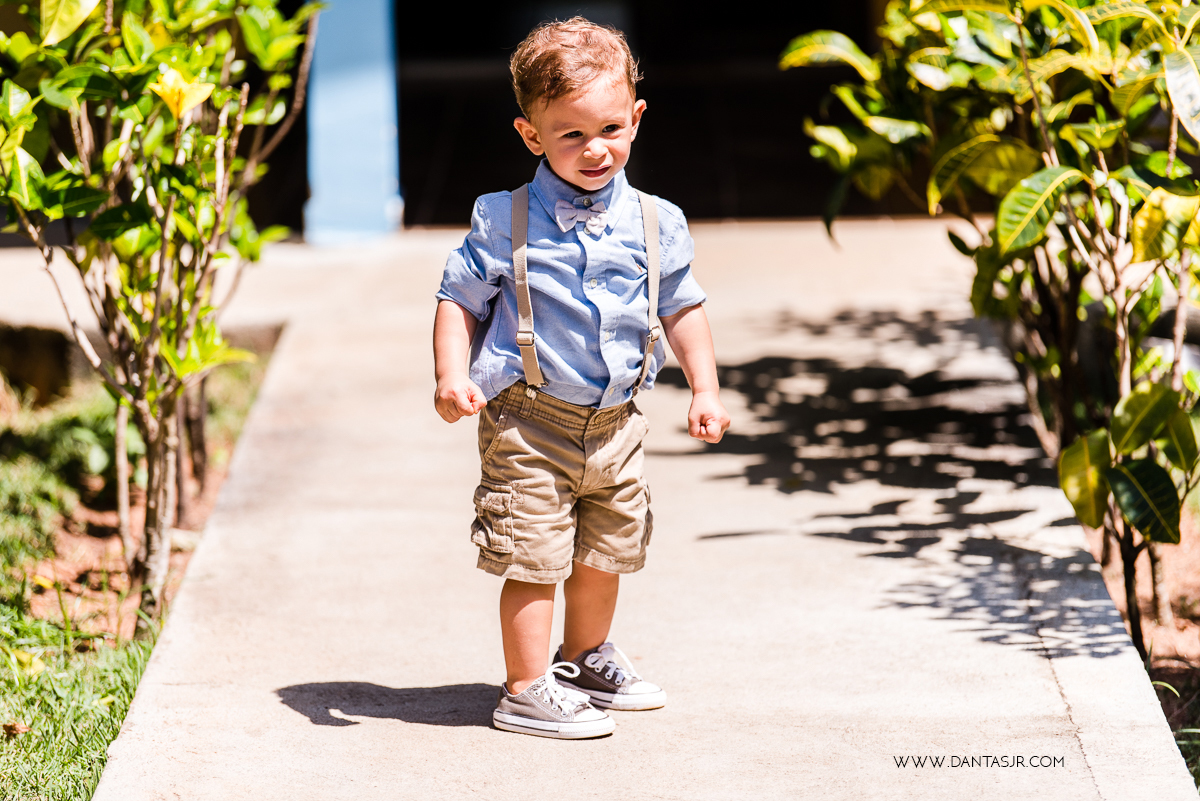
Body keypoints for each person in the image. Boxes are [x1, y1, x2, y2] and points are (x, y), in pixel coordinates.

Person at [432, 16, 730, 739]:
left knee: (605, 550)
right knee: (534, 553)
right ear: (531, 135)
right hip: (529, 421)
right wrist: (449, 375)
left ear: (635, 117)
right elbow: (457, 299)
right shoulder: (503, 220)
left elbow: (682, 304)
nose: (596, 150)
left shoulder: (656, 221)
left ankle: (583, 657)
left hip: (617, 424)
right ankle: (525, 689)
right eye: (571, 134)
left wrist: (706, 386)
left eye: (610, 129)